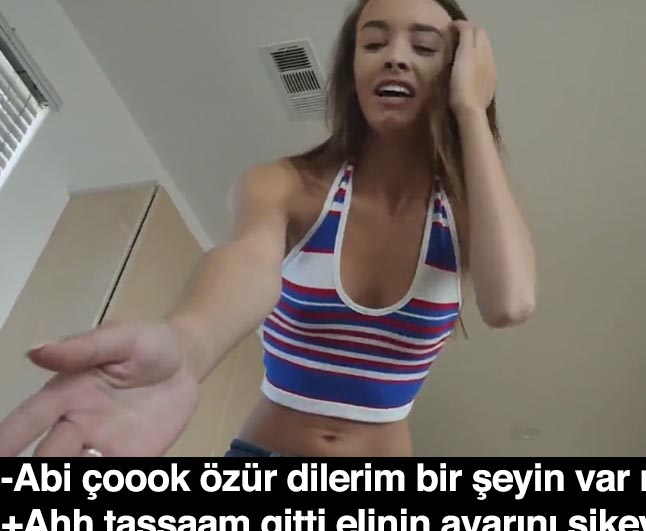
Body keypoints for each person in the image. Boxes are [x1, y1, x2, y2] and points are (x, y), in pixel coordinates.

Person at [0, 0, 535, 458]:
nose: (395, 56)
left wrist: (471, 109)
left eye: (424, 47)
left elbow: (509, 303)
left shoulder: (465, 212)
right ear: (353, 71)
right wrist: (187, 345)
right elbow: (248, 263)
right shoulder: (284, 184)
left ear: (458, 70)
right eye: (374, 43)